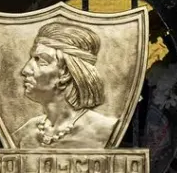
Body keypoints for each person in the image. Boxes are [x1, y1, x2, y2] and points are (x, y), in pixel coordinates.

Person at [13, 21, 119, 149]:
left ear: (66, 73)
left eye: (40, 60)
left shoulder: (103, 128)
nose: (25, 70)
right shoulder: (25, 131)